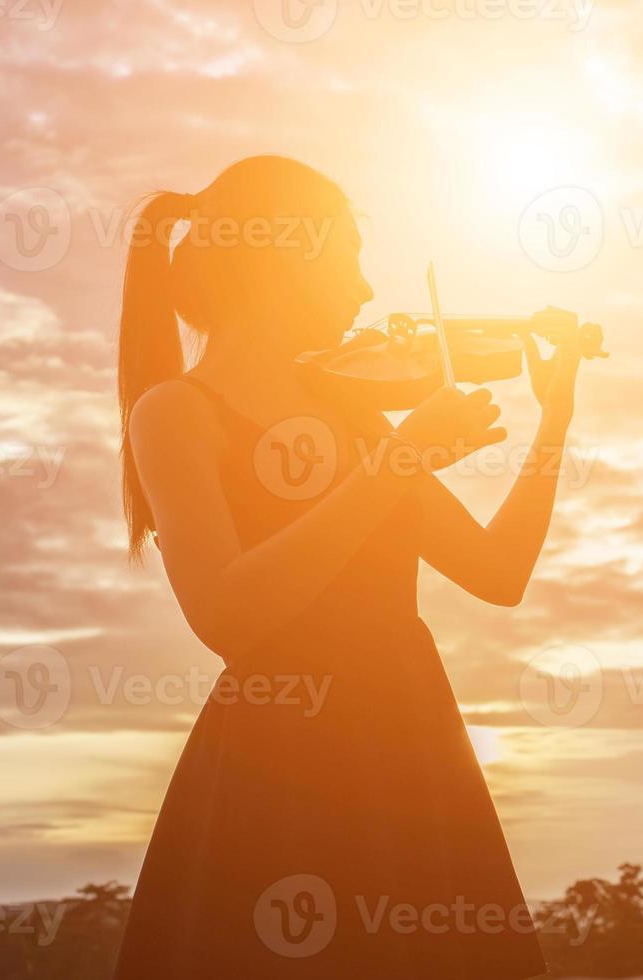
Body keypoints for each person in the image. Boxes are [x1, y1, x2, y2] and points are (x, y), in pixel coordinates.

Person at [112, 155, 582, 978]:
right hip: (279, 757)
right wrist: (393, 464)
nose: (366, 294)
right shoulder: (177, 413)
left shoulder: (354, 414)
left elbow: (497, 571)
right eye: (347, 262)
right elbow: (227, 615)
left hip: (410, 736)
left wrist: (555, 420)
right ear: (283, 261)